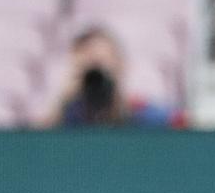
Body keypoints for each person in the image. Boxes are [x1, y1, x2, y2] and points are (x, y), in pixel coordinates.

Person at [46, 26, 181, 128]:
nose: (95, 76)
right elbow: (40, 145)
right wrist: (63, 100)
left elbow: (183, 128)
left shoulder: (143, 113)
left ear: (121, 65)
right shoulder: (68, 116)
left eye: (99, 62)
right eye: (86, 67)